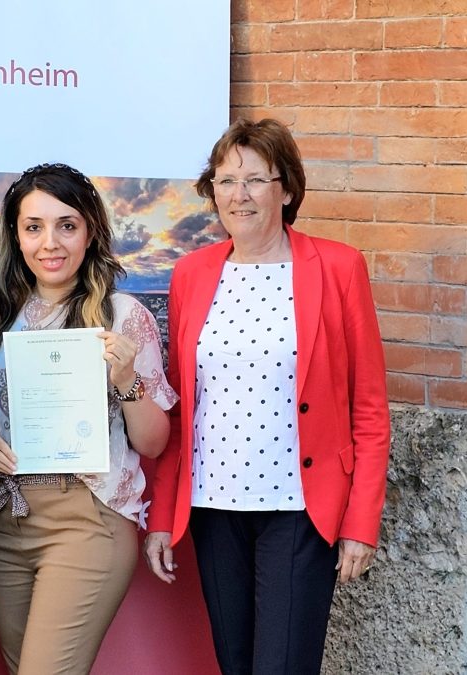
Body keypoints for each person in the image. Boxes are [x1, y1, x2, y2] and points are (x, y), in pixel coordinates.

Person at [143, 118, 391, 674]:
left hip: (300, 508)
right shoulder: (191, 273)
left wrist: (360, 523)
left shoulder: (338, 268)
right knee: (235, 664)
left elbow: (369, 410)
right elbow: (183, 409)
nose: (239, 195)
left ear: (287, 188)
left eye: (255, 180)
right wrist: (163, 515)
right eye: (226, 181)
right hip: (214, 506)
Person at [0, 163, 177, 674]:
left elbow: (153, 443)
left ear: (90, 232)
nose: (51, 242)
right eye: (34, 227)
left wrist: (126, 376)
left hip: (88, 520)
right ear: (16, 237)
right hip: (3, 518)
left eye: (67, 225)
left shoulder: (124, 314)